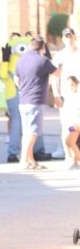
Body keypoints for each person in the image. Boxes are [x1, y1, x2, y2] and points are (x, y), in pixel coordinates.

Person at [15, 36, 59, 170]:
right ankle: (23, 160)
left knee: (26, 131)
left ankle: (30, 160)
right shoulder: (43, 60)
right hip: (36, 100)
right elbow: (57, 73)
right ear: (43, 48)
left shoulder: (21, 60)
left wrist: (23, 89)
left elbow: (16, 79)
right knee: (32, 132)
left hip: (24, 100)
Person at [52, 28, 80, 163]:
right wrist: (56, 94)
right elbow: (54, 77)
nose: (69, 39)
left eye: (71, 36)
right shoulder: (60, 56)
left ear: (75, 37)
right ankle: (69, 156)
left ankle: (76, 156)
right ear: (63, 39)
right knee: (67, 127)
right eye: (66, 37)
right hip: (66, 98)